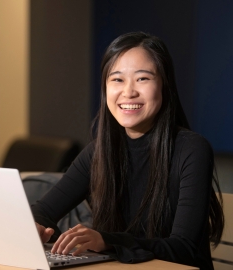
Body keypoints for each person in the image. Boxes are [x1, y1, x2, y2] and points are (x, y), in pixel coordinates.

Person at [31, 32, 224, 270]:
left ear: (165, 85)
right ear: (105, 88)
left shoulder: (191, 149)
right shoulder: (99, 151)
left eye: (143, 79)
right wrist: (37, 225)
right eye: (117, 80)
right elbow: (43, 210)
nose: (129, 92)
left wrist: (108, 241)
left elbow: (184, 248)